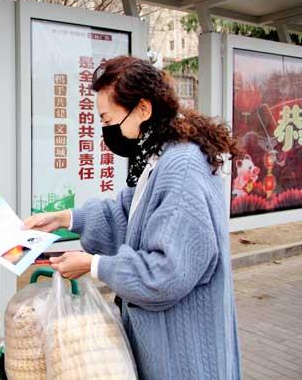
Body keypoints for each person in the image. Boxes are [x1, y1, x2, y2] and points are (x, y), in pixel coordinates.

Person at [23, 56, 242, 379]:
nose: (107, 132)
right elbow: (130, 215)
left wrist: (94, 265)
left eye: (109, 119)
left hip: (183, 349)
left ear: (143, 108)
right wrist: (66, 218)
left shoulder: (180, 167)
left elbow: (169, 271)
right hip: (165, 341)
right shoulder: (162, 155)